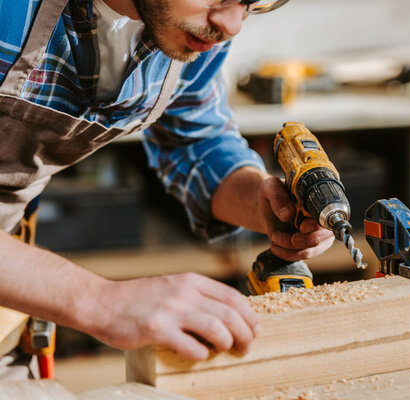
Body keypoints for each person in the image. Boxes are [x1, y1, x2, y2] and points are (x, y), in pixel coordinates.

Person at [0, 0, 335, 377]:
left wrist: (258, 198)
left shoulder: (195, 28)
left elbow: (194, 142)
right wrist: (102, 301)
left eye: (252, 2)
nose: (232, 24)